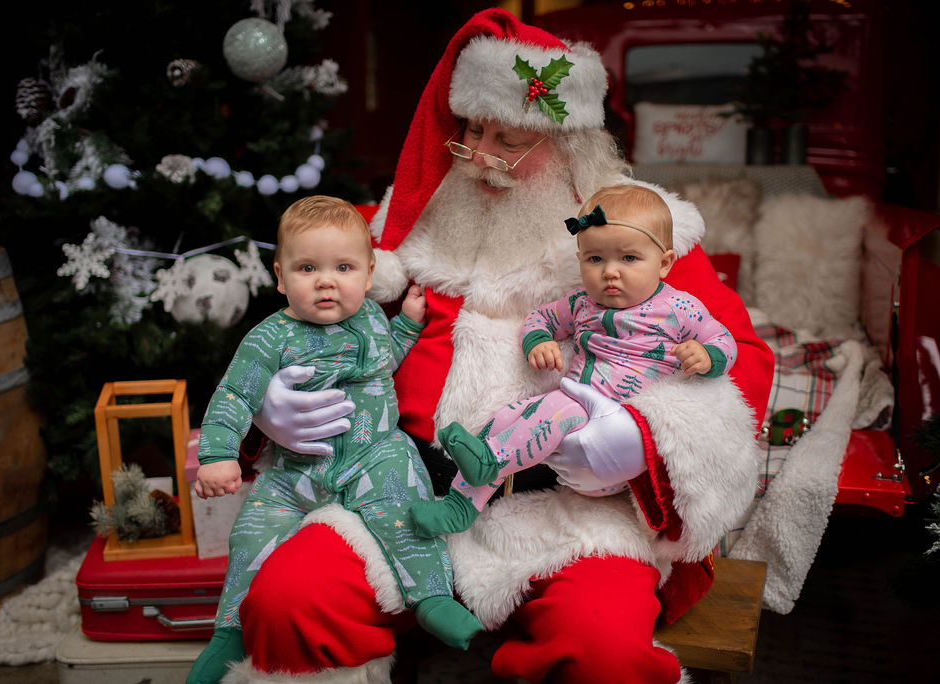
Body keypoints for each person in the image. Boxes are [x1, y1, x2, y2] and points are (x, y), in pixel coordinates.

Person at [226, 9, 776, 684]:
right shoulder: (406, 224)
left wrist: (643, 437)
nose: (483, 157)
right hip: (402, 491)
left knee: (604, 651)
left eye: (509, 140)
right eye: (471, 132)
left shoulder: (636, 238)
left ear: (570, 145)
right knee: (288, 600)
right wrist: (271, 400)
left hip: (571, 513)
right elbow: (304, 302)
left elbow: (742, 357)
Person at [186, 196, 481, 684]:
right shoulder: (269, 338)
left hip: (374, 455)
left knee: (405, 511)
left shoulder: (371, 318)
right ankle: (230, 633)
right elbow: (234, 395)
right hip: (296, 470)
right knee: (250, 535)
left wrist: (407, 324)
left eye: (343, 268)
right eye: (307, 268)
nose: (326, 281)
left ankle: (430, 597)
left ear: (368, 276)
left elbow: (386, 359)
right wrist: (218, 455)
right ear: (281, 278)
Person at [409, 184, 737, 537]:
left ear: (665, 263)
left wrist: (707, 356)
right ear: (580, 259)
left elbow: (723, 340)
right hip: (572, 421)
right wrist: (539, 342)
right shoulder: (581, 303)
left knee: (557, 408)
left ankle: (490, 462)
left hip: (623, 438)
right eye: (595, 259)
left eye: (629, 258)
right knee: (506, 417)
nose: (610, 272)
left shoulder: (679, 308)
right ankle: (460, 505)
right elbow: (540, 319)